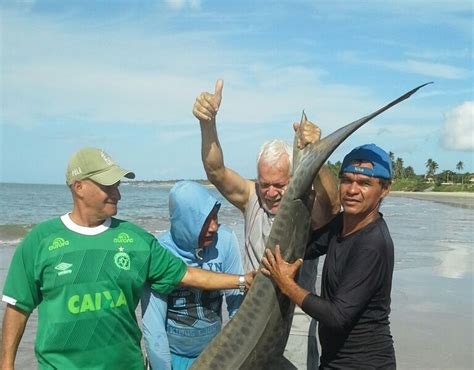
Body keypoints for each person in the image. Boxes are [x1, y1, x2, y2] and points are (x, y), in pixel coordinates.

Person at [1, 147, 255, 370]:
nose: (117, 194)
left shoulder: (135, 239)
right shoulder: (40, 240)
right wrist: (6, 365)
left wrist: (243, 280)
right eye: (107, 186)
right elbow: (18, 307)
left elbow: (185, 274)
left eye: (117, 185)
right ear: (78, 186)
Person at [193, 79, 340, 369]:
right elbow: (215, 170)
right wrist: (207, 125)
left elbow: (333, 206)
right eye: (265, 184)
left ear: (293, 178)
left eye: (280, 185)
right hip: (250, 313)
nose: (271, 193)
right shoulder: (251, 196)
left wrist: (317, 158)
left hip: (293, 317)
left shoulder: (308, 205)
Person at [262, 143, 396, 369]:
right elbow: (306, 249)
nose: (352, 190)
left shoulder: (372, 244)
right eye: (346, 180)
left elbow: (337, 316)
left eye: (364, 183)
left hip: (365, 363)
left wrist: (287, 284)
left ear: (384, 189)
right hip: (335, 360)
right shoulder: (342, 224)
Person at [141, 181, 244, 370]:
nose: (214, 227)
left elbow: (237, 304)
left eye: (215, 217)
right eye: (205, 221)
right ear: (186, 223)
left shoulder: (226, 240)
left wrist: (239, 352)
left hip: (216, 354)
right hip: (174, 357)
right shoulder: (159, 251)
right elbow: (154, 329)